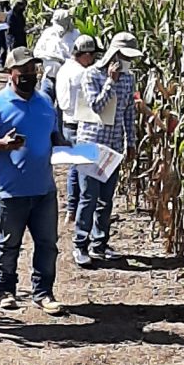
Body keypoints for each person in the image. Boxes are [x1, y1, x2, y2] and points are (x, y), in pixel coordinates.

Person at [0, 43, 61, 313]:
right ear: (10, 72)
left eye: (32, 69)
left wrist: (73, 149)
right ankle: (6, 291)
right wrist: (2, 144)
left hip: (44, 188)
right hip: (11, 191)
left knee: (47, 244)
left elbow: (54, 135)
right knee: (9, 244)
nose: (29, 74)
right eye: (22, 70)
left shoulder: (45, 102)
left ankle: (44, 293)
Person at [74, 32, 139, 265]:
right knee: (88, 196)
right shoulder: (92, 74)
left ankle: (99, 243)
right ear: (114, 54)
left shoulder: (129, 79)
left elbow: (129, 112)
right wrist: (110, 81)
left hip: (113, 145)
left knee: (106, 199)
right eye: (124, 56)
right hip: (90, 143)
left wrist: (131, 142)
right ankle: (80, 244)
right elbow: (97, 106)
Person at [54, 32, 116, 236]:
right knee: (80, 174)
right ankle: (74, 211)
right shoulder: (83, 73)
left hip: (67, 120)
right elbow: (97, 105)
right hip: (81, 125)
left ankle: (72, 210)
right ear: (86, 55)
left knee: (75, 168)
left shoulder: (64, 68)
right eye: (93, 56)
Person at [32, 4, 81, 103]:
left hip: (68, 79)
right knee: (45, 105)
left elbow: (79, 55)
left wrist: (67, 60)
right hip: (50, 77)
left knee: (62, 109)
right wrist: (54, 57)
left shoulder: (75, 34)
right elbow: (37, 52)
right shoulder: (48, 33)